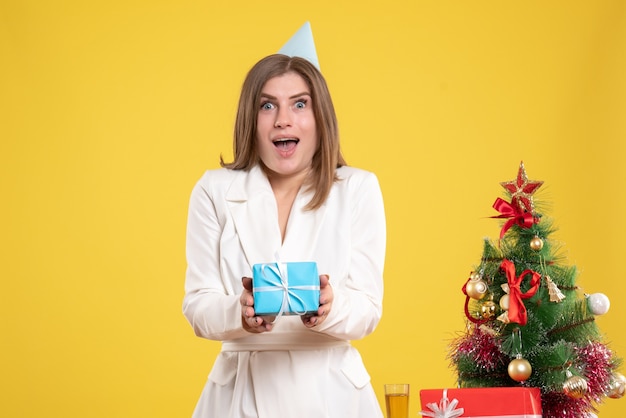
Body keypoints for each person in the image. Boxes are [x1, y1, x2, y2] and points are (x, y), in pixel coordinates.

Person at [183, 23, 386, 418]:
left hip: (333, 396)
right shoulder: (214, 190)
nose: (283, 120)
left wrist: (332, 307)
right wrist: (238, 312)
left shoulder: (358, 189)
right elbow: (197, 305)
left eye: (299, 103)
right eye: (267, 105)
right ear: (251, 118)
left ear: (320, 117)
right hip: (238, 393)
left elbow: (368, 308)